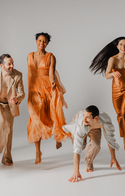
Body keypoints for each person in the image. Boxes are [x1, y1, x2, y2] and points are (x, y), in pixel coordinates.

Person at [89, 36, 125, 150]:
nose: (123, 47)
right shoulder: (112, 59)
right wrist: (113, 74)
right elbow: (107, 75)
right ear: (117, 46)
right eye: (121, 44)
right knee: (119, 114)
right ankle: (123, 135)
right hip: (116, 90)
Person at [27, 32, 70, 165]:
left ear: (47, 43)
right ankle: (38, 152)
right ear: (36, 41)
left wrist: (53, 84)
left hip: (47, 88)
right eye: (40, 40)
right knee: (35, 120)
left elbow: (52, 73)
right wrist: (30, 92)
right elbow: (29, 75)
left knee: (53, 115)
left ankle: (58, 136)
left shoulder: (50, 57)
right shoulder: (29, 56)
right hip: (34, 91)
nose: (42, 43)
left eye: (45, 41)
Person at [63, 105, 122, 182]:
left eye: (87, 117)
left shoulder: (105, 120)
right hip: (79, 124)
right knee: (80, 147)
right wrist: (76, 171)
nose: (84, 118)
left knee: (96, 145)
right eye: (84, 116)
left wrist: (113, 157)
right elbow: (77, 150)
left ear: (96, 118)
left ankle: (88, 162)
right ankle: (73, 135)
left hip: (95, 127)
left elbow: (110, 139)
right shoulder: (81, 122)